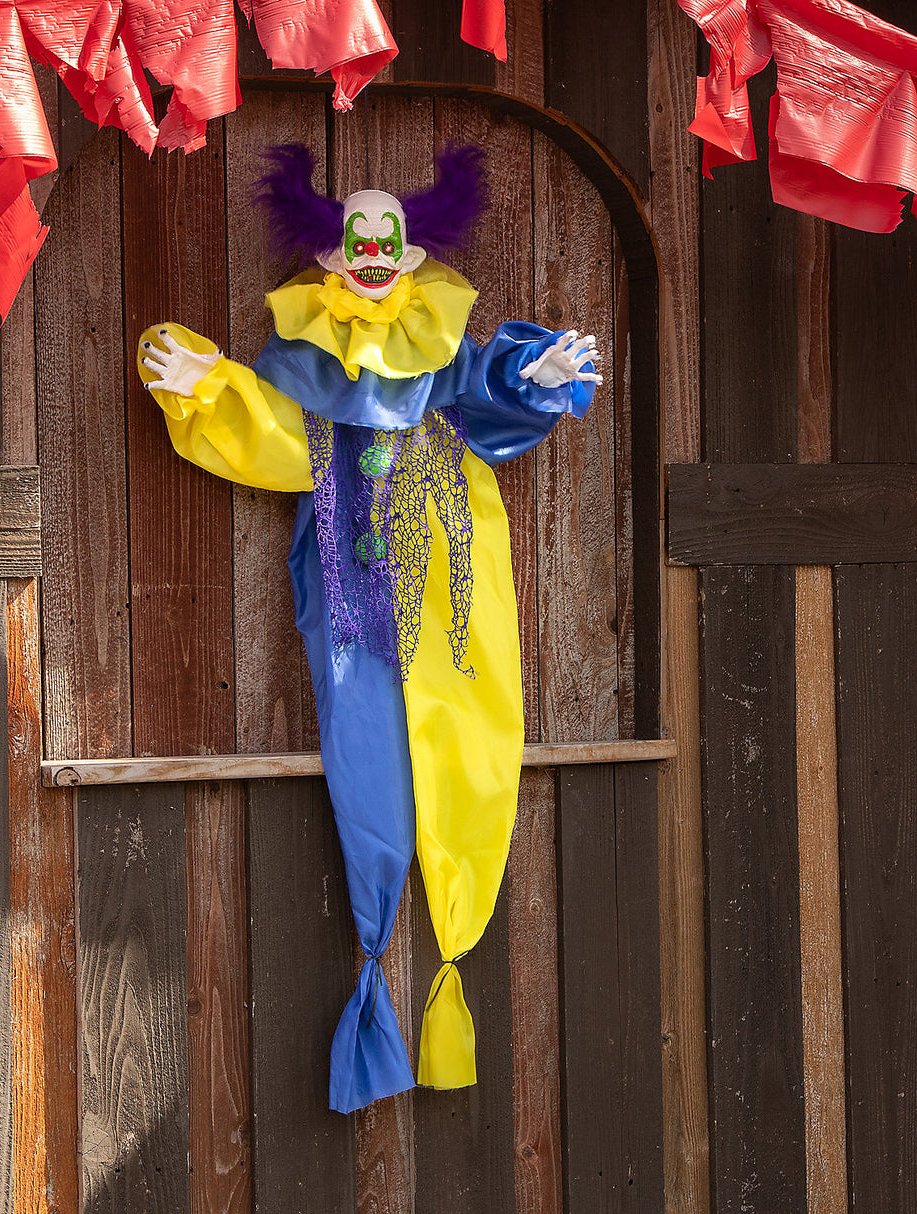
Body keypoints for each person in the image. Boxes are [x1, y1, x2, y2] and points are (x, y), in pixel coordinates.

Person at [139, 143, 600, 1113]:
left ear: (414, 247)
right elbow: (276, 436)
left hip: (453, 572)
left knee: (468, 726)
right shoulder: (305, 350)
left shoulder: (445, 339)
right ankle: (381, 944)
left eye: (391, 239)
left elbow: (487, 399)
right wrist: (206, 383)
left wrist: (533, 371)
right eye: (359, 240)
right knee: (363, 732)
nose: (376, 253)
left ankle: (452, 948)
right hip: (350, 568)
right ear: (332, 253)